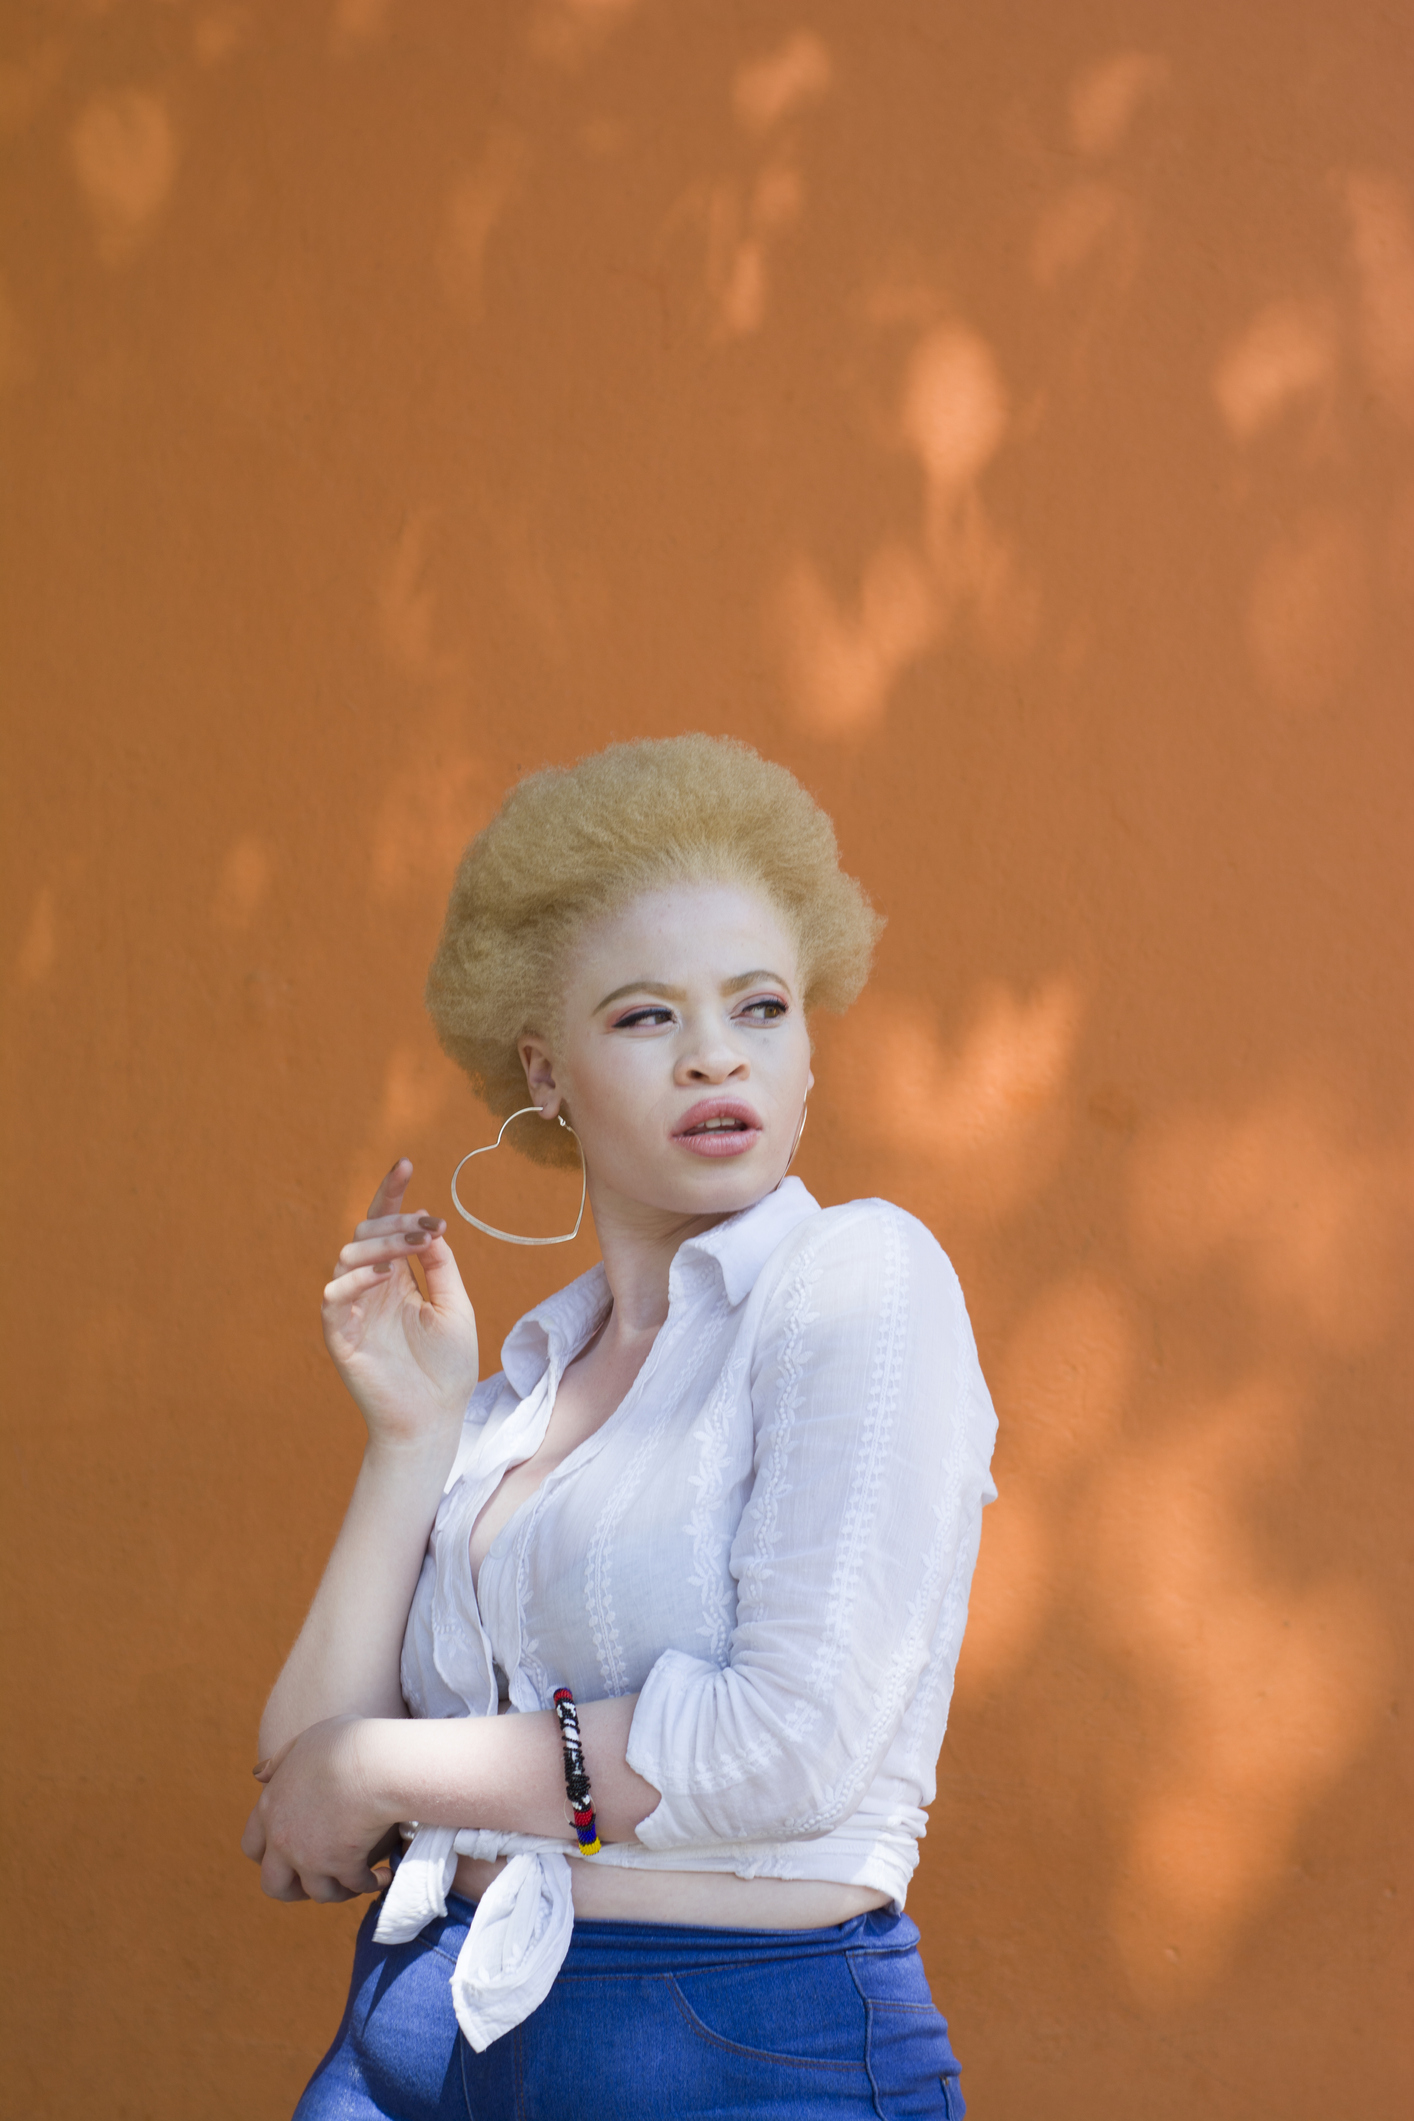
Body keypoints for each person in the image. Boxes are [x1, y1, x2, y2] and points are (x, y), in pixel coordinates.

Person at [242, 734, 998, 2119]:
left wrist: (375, 1768)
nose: (715, 1054)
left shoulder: (859, 1279)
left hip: (731, 2042)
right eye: (647, 1017)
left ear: (807, 1045)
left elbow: (783, 1744)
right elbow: (300, 1774)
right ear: (545, 1071)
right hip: (412, 2022)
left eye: (761, 1006)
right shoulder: (517, 1392)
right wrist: (410, 1438)